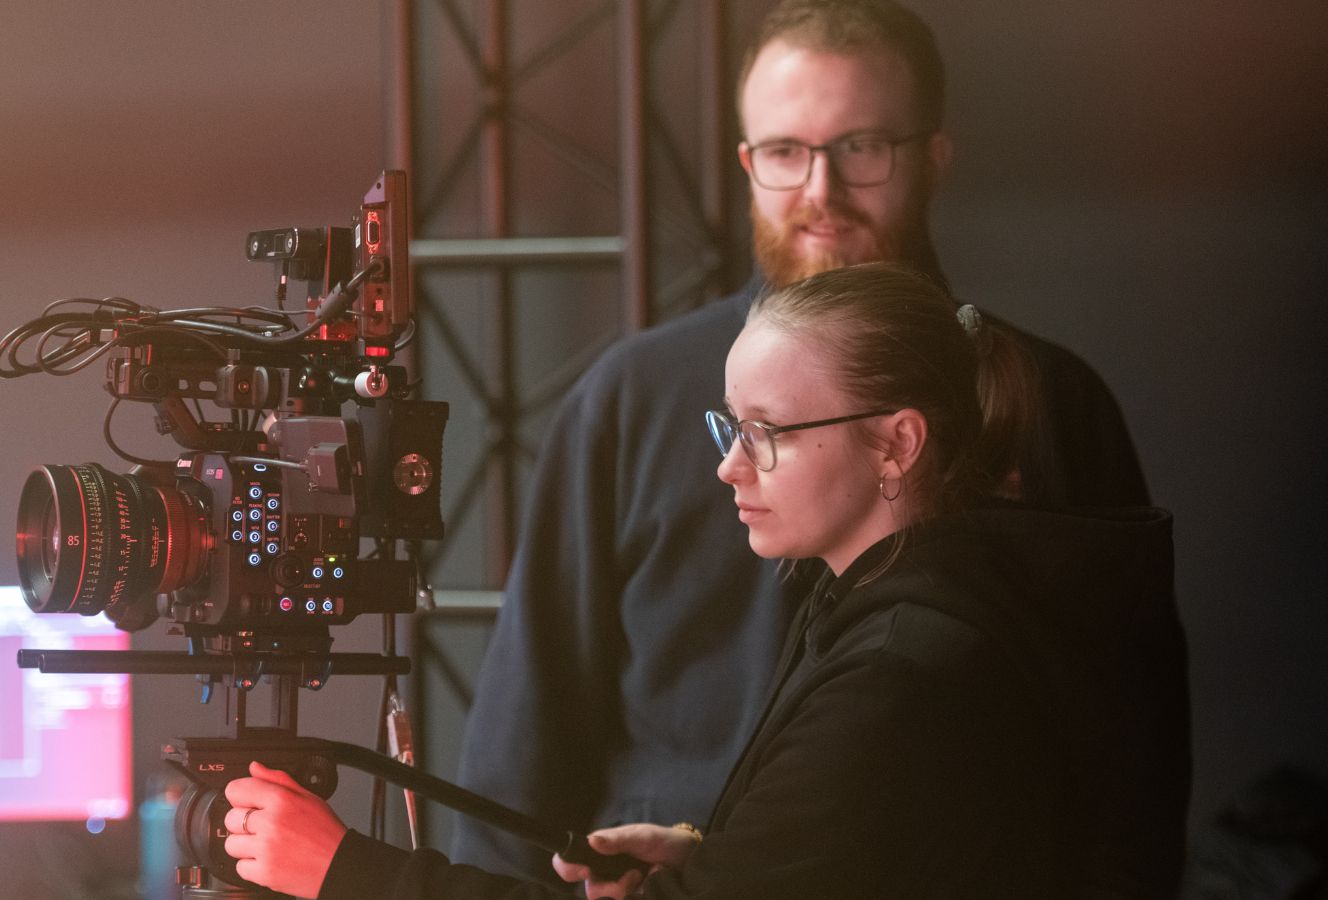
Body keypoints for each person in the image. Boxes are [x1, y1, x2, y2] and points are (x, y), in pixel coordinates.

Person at [449, 0, 1154, 889]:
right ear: (747, 164)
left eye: (861, 146)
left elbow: (1125, 743)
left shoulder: (1049, 402)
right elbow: (526, 737)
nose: (819, 190)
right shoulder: (631, 397)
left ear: (933, 156)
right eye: (784, 151)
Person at [218, 263, 1190, 899]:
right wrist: (722, 865)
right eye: (729, 429)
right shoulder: (897, 607)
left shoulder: (907, 674)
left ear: (895, 444)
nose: (730, 467)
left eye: (767, 433)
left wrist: (351, 872)